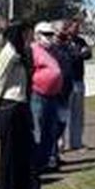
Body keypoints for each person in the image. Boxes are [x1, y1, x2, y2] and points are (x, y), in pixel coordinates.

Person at [0, 21, 37, 189]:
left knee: (22, 151)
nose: (31, 35)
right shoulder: (9, 53)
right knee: (9, 153)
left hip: (21, 104)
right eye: (28, 31)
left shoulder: (21, 51)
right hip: (9, 105)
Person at [29, 21, 66, 172]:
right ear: (37, 35)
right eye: (47, 34)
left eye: (52, 34)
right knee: (38, 130)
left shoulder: (51, 51)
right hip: (38, 95)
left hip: (53, 96)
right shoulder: (33, 50)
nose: (50, 37)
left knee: (50, 131)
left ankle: (45, 161)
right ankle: (35, 163)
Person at [59, 18, 93, 152]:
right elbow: (66, 56)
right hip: (65, 81)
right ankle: (60, 143)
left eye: (79, 27)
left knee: (78, 114)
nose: (77, 30)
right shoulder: (62, 41)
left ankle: (76, 142)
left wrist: (81, 53)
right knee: (63, 113)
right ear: (68, 28)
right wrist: (79, 54)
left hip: (79, 80)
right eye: (75, 27)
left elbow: (88, 54)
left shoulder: (80, 41)